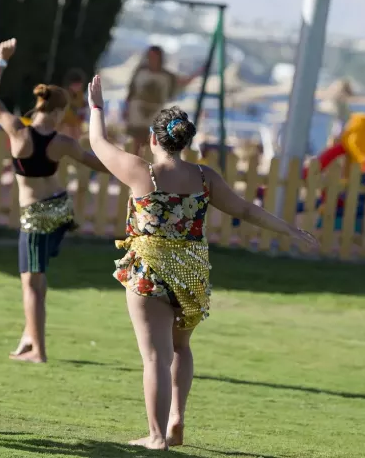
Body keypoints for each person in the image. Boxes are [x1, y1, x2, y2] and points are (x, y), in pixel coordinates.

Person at [87, 75, 317, 450]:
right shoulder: (204, 177)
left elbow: (98, 142)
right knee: (180, 349)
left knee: (155, 358)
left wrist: (96, 106)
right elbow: (244, 208)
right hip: (192, 273)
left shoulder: (141, 171)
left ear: (152, 138)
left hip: (151, 270)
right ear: (185, 141)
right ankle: (176, 420)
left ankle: (157, 436)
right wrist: (288, 229)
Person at [0, 38, 109, 364]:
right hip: (60, 210)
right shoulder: (63, 142)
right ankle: (30, 336)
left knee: (32, 285)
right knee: (38, 280)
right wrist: (123, 161)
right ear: (54, 111)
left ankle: (37, 351)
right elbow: (95, 160)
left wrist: (1, 60)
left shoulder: (16, 130)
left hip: (36, 215)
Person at [124, 45, 202, 154]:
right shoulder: (140, 71)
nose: (153, 59)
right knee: (135, 143)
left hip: (154, 113)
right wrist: (125, 109)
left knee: (151, 143)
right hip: (136, 113)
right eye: (151, 56)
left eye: (155, 57)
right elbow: (131, 91)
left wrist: (198, 73)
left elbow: (182, 83)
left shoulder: (167, 76)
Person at [59, 68, 88, 140]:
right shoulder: (64, 95)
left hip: (76, 125)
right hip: (64, 125)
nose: (78, 87)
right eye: (76, 85)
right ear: (70, 85)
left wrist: (84, 106)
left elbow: (82, 105)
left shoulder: (79, 94)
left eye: (80, 85)